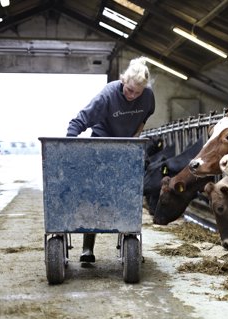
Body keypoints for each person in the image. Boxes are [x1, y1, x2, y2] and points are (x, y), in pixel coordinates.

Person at [66, 56, 156, 263]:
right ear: (123, 81)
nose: (132, 95)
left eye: (137, 92)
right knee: (95, 193)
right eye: (129, 90)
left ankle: (128, 239)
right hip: (102, 144)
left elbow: (145, 116)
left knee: (127, 193)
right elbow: (80, 119)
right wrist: (70, 143)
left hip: (126, 148)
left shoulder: (148, 96)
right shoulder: (108, 95)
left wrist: (134, 138)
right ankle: (88, 248)